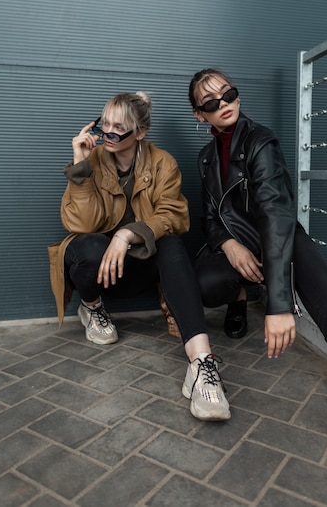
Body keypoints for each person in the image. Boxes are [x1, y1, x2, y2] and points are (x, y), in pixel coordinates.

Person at [188, 68, 327, 462]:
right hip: (238, 242)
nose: (224, 104)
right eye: (211, 103)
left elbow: (276, 215)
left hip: (275, 232)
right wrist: (232, 246)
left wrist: (279, 304)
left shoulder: (260, 141)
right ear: (200, 115)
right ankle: (238, 296)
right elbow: (210, 219)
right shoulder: (205, 158)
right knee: (204, 282)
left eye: (229, 93)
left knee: (299, 248)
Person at [48, 91, 230, 422]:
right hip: (98, 268)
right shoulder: (94, 158)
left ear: (141, 132)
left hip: (139, 265)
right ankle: (92, 308)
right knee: (88, 246)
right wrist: (80, 165)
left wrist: (127, 234)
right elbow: (81, 224)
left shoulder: (163, 163)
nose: (108, 134)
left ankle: (202, 363)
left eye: (119, 128)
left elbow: (175, 218)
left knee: (173, 245)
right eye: (104, 126)